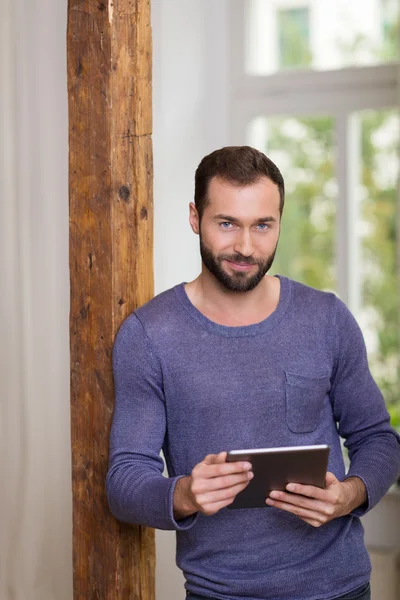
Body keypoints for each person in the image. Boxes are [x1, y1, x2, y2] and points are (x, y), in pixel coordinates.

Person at [106, 146, 400, 600]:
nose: (245, 247)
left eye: (262, 225)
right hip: (219, 593)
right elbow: (124, 481)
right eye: (227, 224)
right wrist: (183, 493)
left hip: (340, 588)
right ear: (194, 217)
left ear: (279, 221)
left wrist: (350, 494)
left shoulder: (326, 318)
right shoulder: (149, 335)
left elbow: (379, 439)